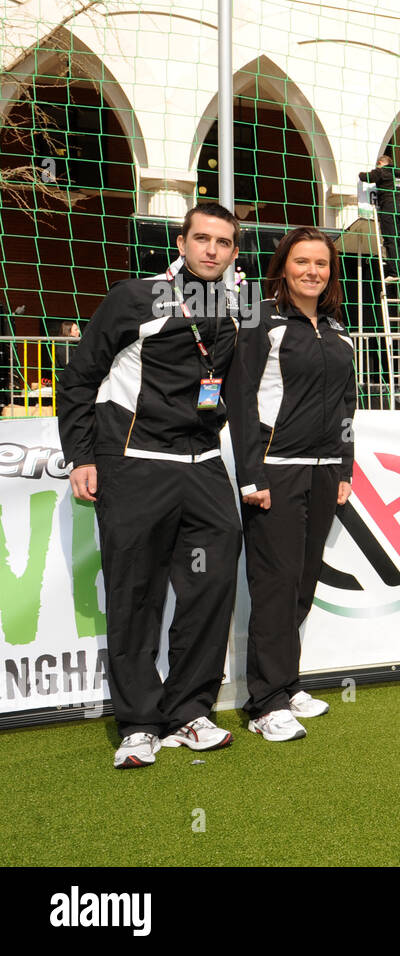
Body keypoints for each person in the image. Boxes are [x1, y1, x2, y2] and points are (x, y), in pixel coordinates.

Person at [57, 203, 244, 768]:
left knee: (210, 585)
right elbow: (80, 377)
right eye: (202, 239)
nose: (212, 250)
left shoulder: (240, 305)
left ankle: (190, 711)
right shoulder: (133, 297)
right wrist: (81, 457)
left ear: (235, 252)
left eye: (224, 242)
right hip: (134, 462)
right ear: (182, 243)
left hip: (205, 462)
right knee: (135, 594)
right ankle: (138, 723)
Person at [227, 226, 356, 742]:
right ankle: (264, 703)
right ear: (283, 267)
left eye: (321, 264)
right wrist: (252, 472)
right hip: (275, 469)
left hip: (325, 470)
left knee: (302, 580)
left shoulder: (338, 327)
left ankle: (287, 683)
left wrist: (345, 466)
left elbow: (347, 405)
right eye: (302, 262)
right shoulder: (262, 318)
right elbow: (239, 400)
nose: (312, 272)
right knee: (275, 584)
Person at [358, 155, 400, 281]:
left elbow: (365, 177)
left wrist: (359, 173)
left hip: (389, 207)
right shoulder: (399, 174)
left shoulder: (382, 171)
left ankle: (394, 273)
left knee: (390, 240)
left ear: (381, 162)